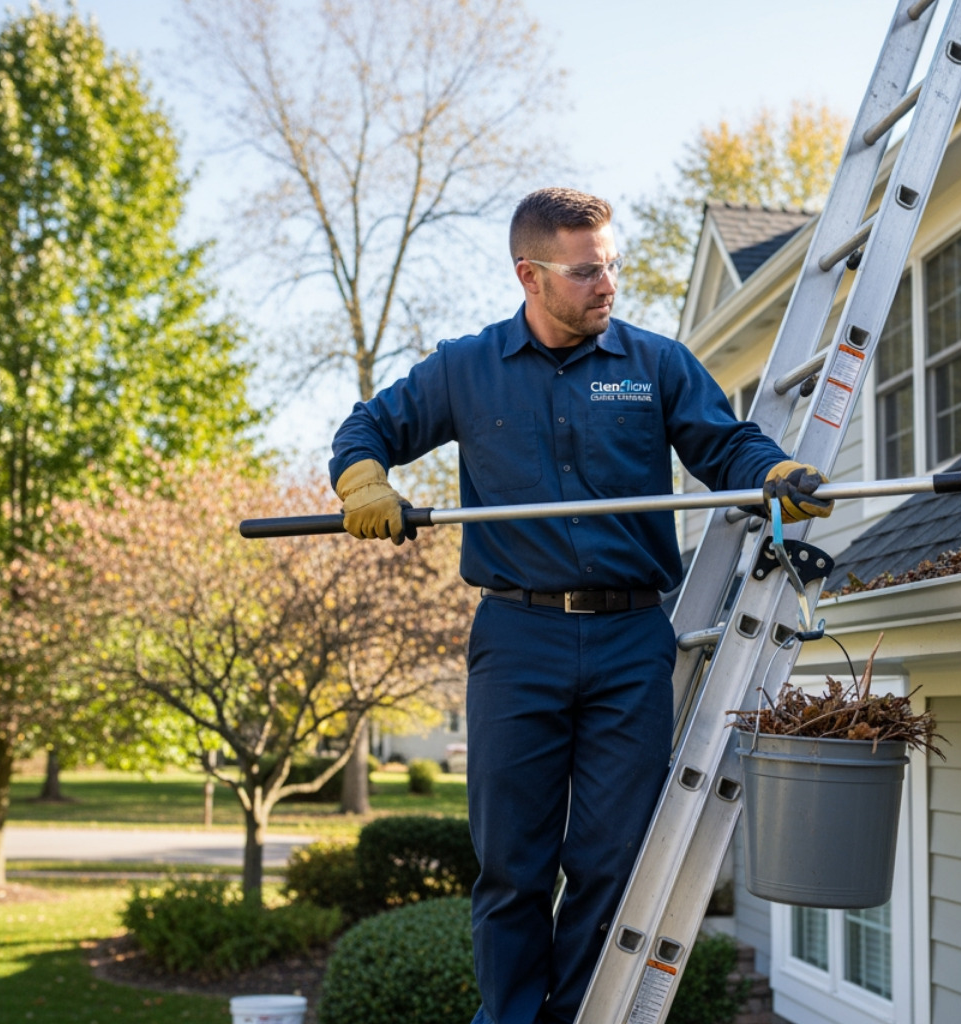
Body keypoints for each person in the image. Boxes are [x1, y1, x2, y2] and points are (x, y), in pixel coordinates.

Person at [328, 187, 833, 1024]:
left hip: (631, 639)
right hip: (516, 637)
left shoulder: (655, 365)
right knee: (512, 865)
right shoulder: (466, 367)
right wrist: (364, 480)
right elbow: (367, 428)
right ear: (530, 275)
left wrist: (771, 473)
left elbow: (726, 444)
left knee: (612, 859)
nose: (608, 286)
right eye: (586, 271)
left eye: (613, 267)